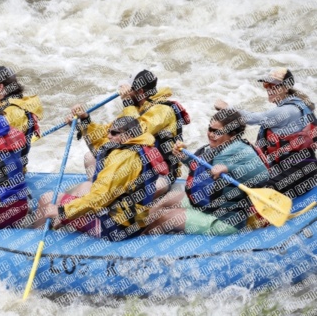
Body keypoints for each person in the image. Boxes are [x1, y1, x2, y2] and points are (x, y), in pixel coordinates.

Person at [35, 116, 169, 242]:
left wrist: (62, 211)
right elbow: (101, 142)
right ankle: (56, 229)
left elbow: (100, 197)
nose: (109, 135)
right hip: (133, 223)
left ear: (128, 135)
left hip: (113, 228)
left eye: (114, 133)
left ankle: (34, 245)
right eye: (109, 131)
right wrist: (84, 121)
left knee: (47, 199)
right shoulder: (141, 145)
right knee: (85, 188)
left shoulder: (123, 159)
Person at [142, 109, 270, 236]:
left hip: (225, 220)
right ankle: (138, 232)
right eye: (210, 129)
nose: (211, 134)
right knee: (164, 201)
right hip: (208, 205)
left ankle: (141, 244)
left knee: (164, 217)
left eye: (217, 132)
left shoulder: (242, 149)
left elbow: (263, 174)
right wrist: (184, 156)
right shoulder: (218, 146)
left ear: (233, 134)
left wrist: (228, 168)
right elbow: (203, 168)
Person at [69, 69, 190, 194]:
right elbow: (108, 134)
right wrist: (85, 120)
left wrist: (127, 102)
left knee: (154, 186)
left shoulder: (164, 110)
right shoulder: (134, 107)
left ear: (140, 91)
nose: (125, 93)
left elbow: (137, 133)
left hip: (158, 172)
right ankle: (96, 195)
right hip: (130, 165)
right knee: (90, 158)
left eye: (129, 90)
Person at [215, 68, 316, 198]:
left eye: (274, 85)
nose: (269, 89)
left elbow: (253, 118)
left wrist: (227, 108)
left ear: (286, 88)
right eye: (266, 85)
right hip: (292, 168)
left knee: (253, 190)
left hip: (299, 172)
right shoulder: (298, 104)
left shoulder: (288, 111)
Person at [0, 66, 43, 167]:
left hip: (5, 173)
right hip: (13, 167)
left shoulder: (11, 112)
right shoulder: (19, 102)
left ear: (0, 87)